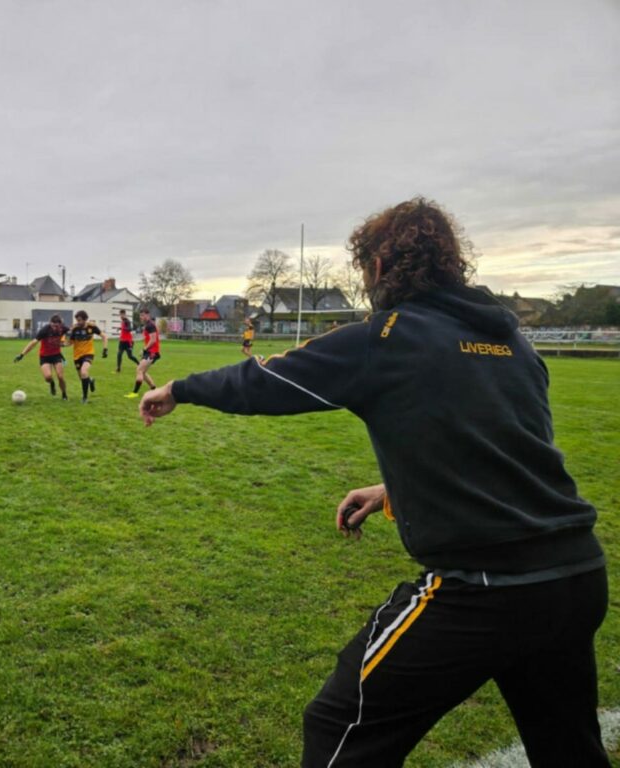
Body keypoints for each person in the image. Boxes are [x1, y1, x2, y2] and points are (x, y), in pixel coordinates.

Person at [138, 197, 608, 767]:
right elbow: (508, 451)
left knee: (342, 723)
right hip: (576, 578)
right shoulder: (513, 344)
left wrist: (179, 390)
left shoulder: (386, 337)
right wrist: (391, 492)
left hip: (486, 589)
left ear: (381, 268)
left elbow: (266, 381)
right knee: (568, 750)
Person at [14, 314, 69, 400]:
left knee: (60, 376)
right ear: (50, 323)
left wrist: (66, 343)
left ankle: (64, 394)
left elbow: (73, 332)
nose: (55, 328)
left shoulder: (63, 328)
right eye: (53, 326)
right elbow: (33, 343)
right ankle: (52, 383)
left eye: (57, 326)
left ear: (60, 325)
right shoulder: (45, 330)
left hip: (56, 355)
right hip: (45, 356)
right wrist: (22, 354)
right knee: (48, 377)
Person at [67, 310, 107, 403]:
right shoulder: (75, 329)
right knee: (82, 377)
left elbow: (104, 336)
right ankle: (90, 380)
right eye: (77, 320)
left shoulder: (91, 327)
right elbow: (70, 342)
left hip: (88, 353)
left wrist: (105, 349)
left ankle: (84, 397)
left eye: (80, 320)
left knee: (84, 372)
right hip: (77, 355)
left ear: (85, 319)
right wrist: (63, 344)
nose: (78, 322)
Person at [126, 309, 161, 398]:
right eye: (140, 315)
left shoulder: (150, 325)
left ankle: (135, 393)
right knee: (143, 372)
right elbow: (148, 338)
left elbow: (153, 340)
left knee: (139, 370)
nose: (141, 317)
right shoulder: (148, 325)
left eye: (142, 315)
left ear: (147, 315)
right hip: (149, 351)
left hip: (152, 352)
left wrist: (144, 349)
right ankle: (154, 389)